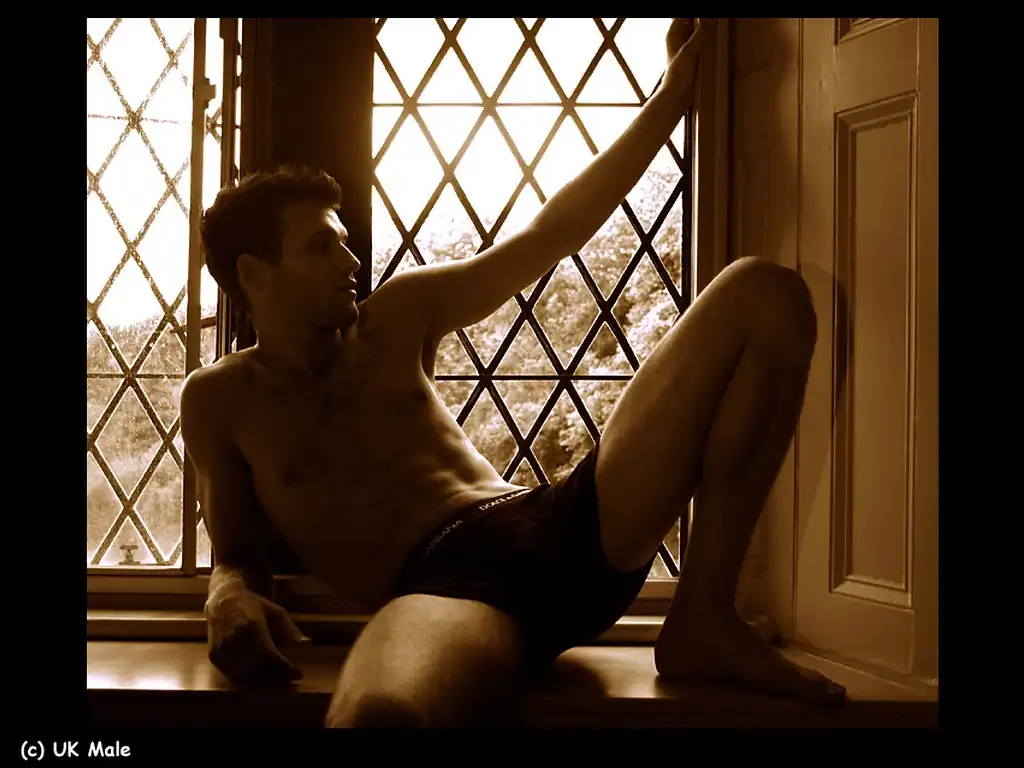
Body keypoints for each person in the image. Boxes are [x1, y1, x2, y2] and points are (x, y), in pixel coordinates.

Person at [181, 18, 846, 728]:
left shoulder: (396, 316)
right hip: (446, 587)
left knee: (764, 294)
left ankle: (704, 614)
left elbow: (549, 234)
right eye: (321, 247)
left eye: (344, 242)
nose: (351, 261)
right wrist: (226, 594)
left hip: (562, 522)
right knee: (377, 719)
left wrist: (670, 98)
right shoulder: (221, 399)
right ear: (255, 274)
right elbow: (237, 553)